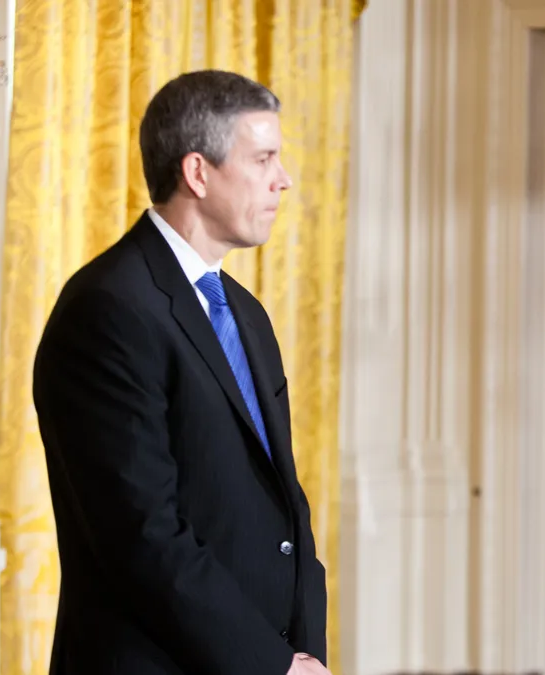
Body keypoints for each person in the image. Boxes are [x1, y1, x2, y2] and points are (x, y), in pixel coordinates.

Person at [32, 70, 330, 675]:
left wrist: (299, 654)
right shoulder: (107, 308)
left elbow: (283, 508)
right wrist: (272, 665)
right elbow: (142, 536)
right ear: (198, 172)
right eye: (264, 158)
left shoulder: (245, 312)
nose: (284, 179)